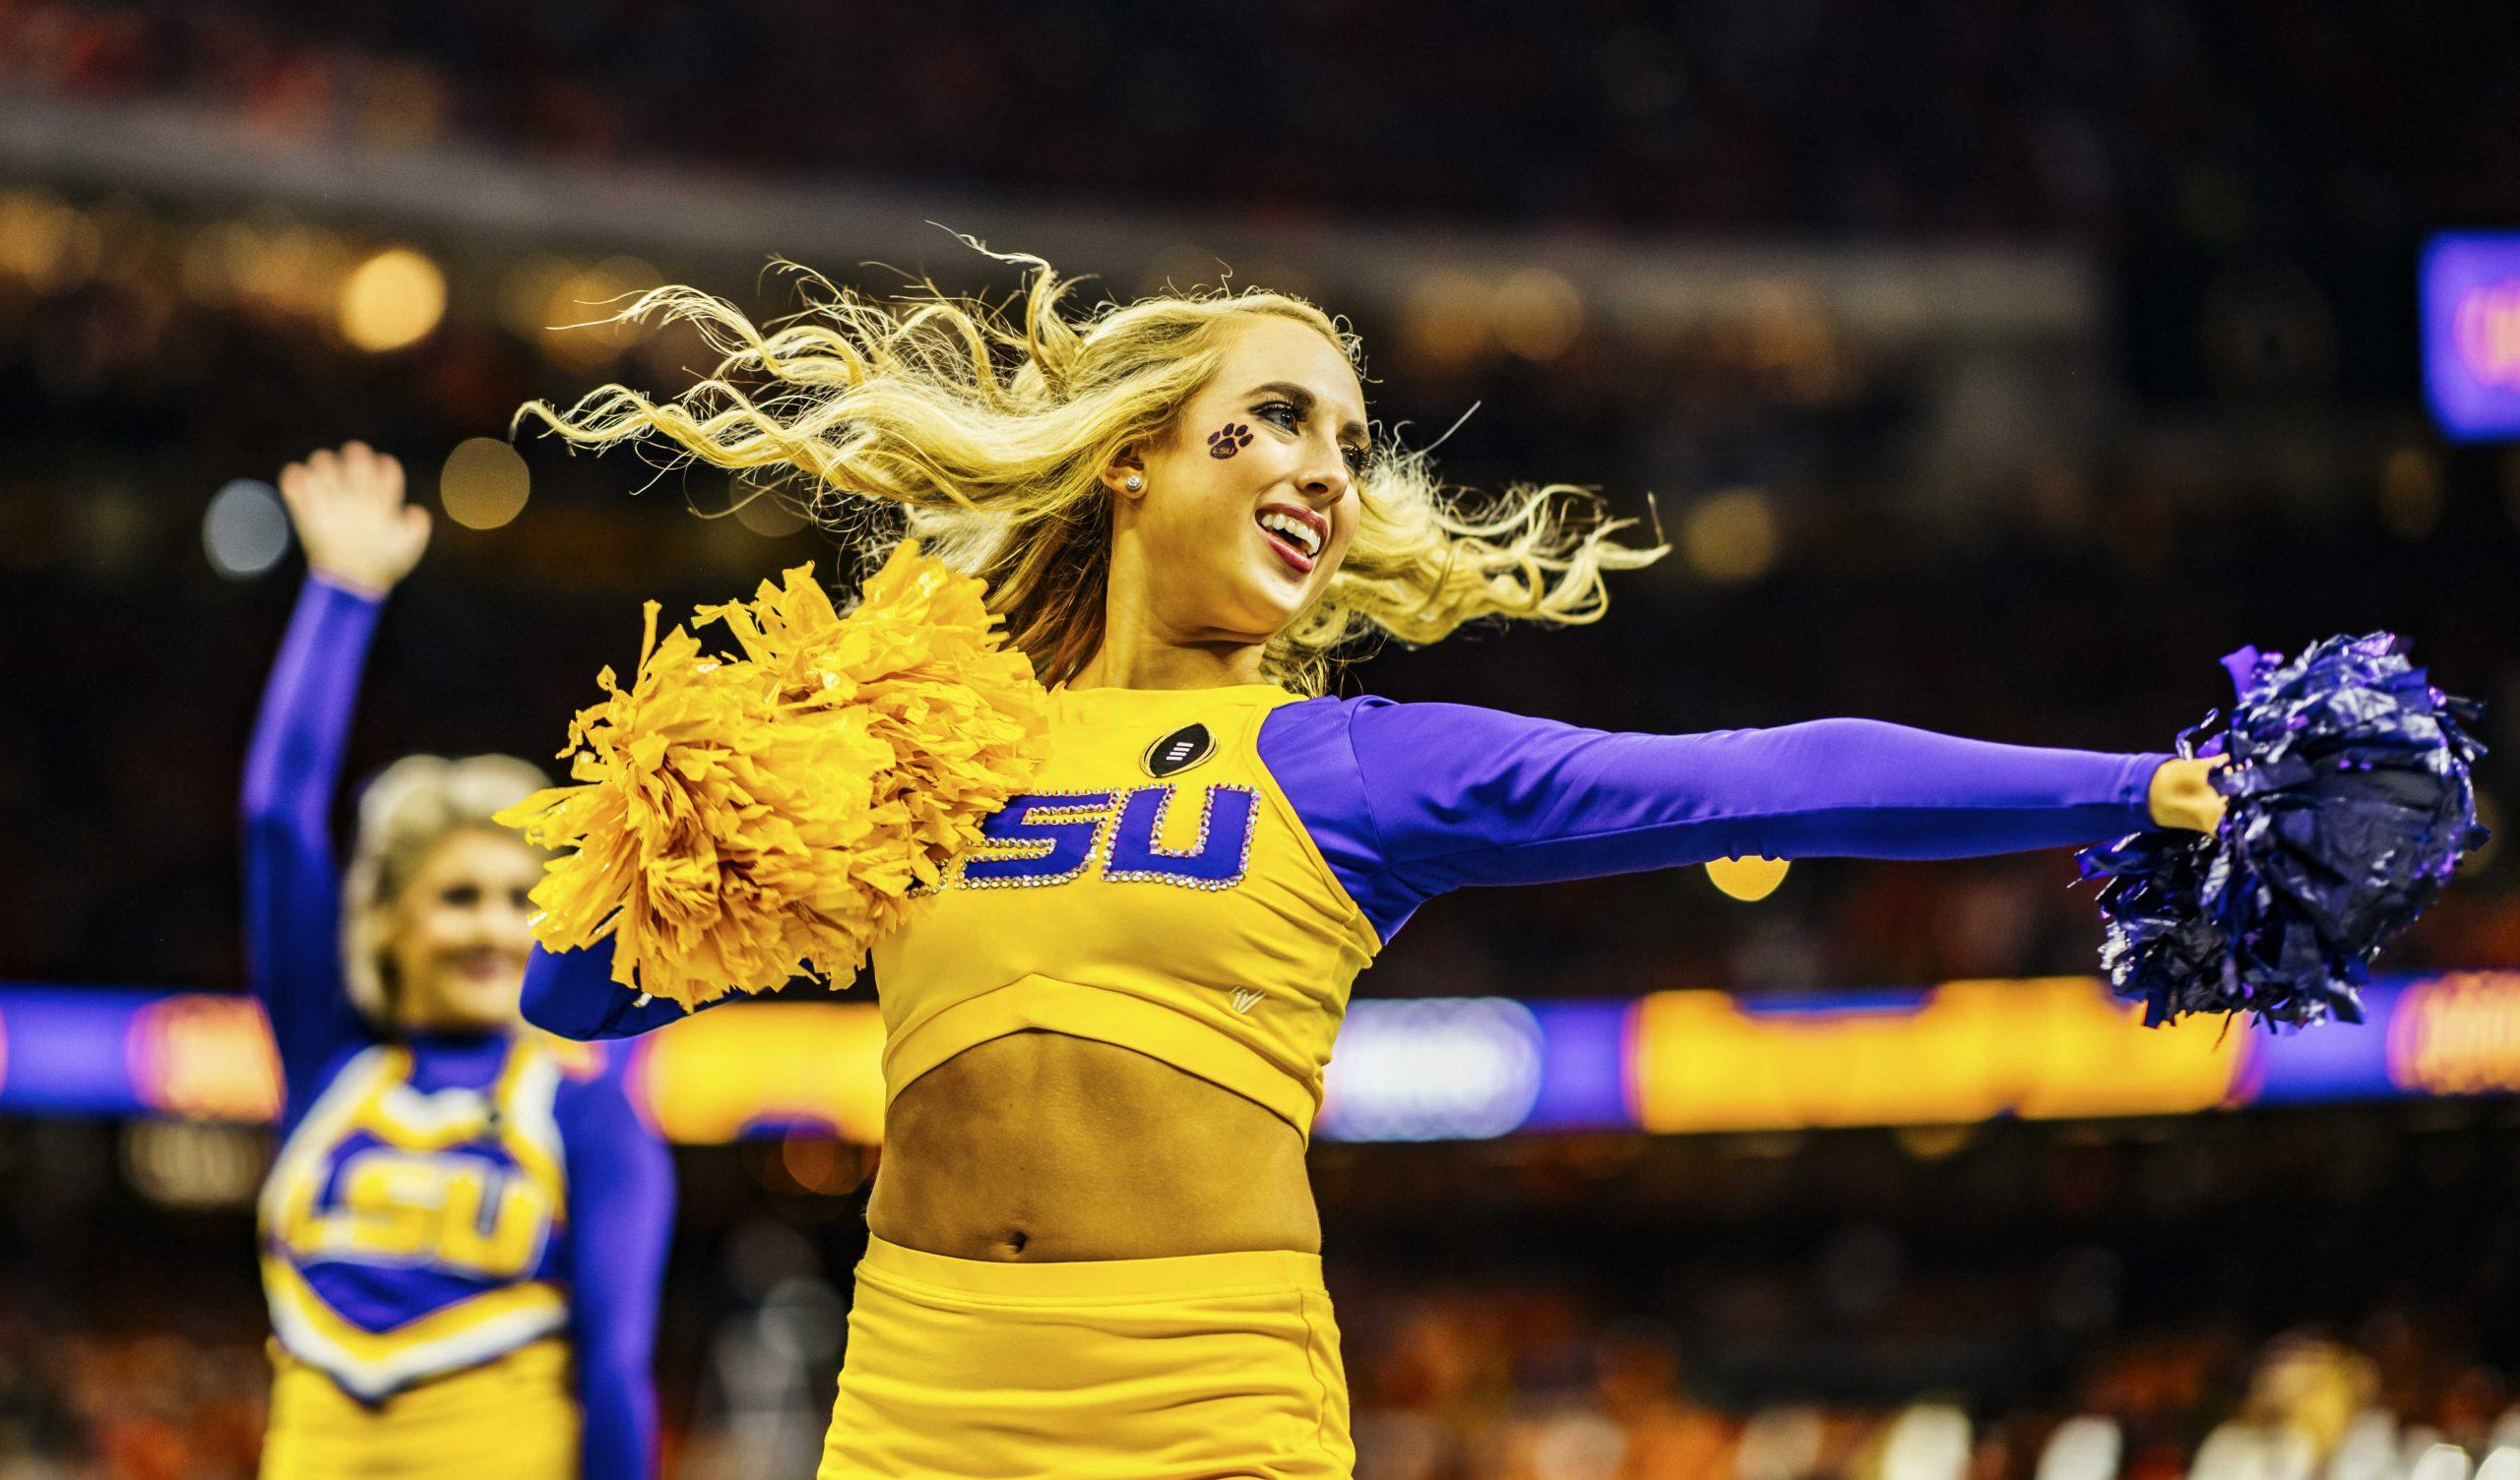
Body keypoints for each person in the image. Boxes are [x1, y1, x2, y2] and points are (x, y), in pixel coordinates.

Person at [515, 259, 2226, 1478]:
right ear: (1133, 456)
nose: (1330, 469)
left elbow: (1761, 781)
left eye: (1347, 441)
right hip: (919, 1395)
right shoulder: (929, 740)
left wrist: (2139, 786)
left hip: (1207, 1401)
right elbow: (569, 991)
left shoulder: (1358, 764)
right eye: (1273, 421)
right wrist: (685, 808)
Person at [243, 442, 673, 1479]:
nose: (491, 928)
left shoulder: (587, 1105)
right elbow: (275, 820)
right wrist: (343, 594)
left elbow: (616, 1373)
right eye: (455, 897)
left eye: (518, 901)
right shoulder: (329, 1066)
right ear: (387, 924)